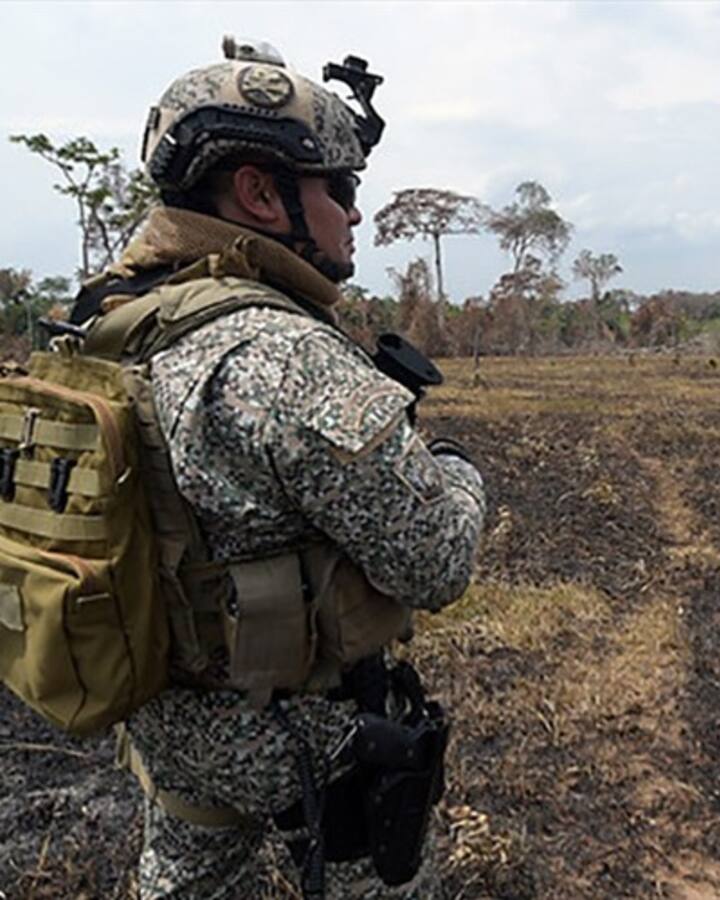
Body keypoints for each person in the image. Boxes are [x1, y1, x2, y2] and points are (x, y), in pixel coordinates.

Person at [72, 37, 486, 899]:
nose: (355, 215)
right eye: (340, 189)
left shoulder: (111, 324)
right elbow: (438, 561)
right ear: (261, 194)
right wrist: (455, 471)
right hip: (305, 741)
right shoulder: (287, 356)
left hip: (164, 713)